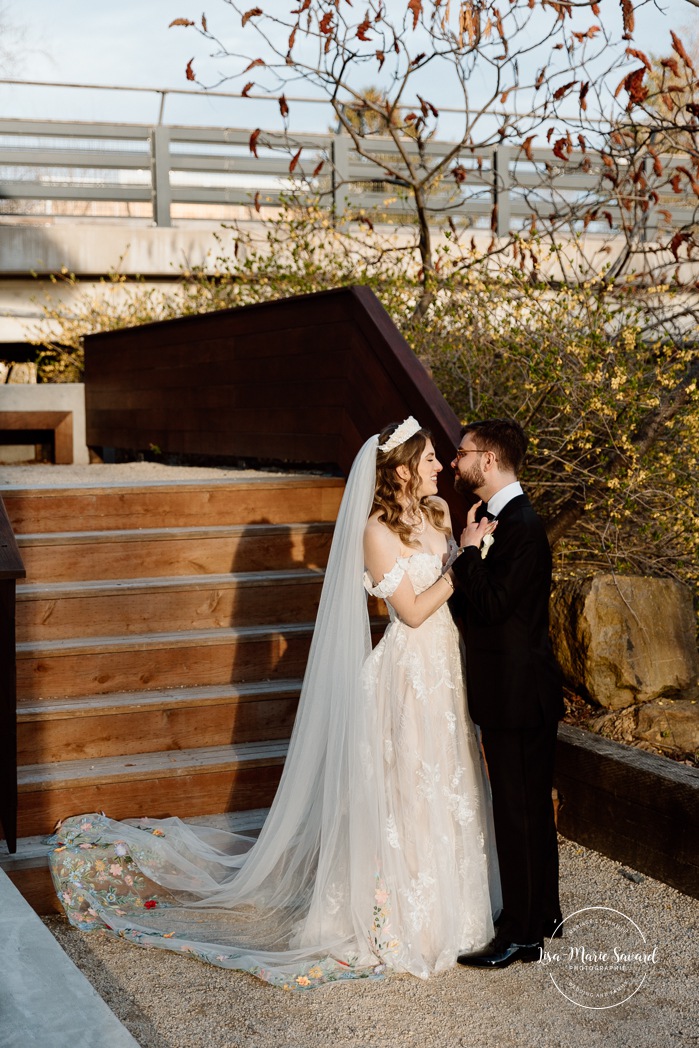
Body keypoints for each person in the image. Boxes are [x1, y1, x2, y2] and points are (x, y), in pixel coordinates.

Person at [50, 417, 500, 990]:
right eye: (431, 457)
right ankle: (410, 923)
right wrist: (463, 561)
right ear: (404, 466)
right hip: (408, 673)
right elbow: (411, 612)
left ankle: (459, 920)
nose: (441, 467)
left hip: (447, 668)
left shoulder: (438, 515)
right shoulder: (375, 533)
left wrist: (466, 545)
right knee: (409, 789)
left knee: (451, 782)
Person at [447, 418, 564, 970]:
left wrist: (467, 553)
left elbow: (493, 606)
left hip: (519, 695)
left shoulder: (521, 525)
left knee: (519, 813)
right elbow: (478, 612)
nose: (454, 462)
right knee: (528, 808)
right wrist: (469, 555)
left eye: (462, 453)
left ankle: (519, 935)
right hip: (515, 690)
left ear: (488, 460)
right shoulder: (501, 520)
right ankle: (542, 914)